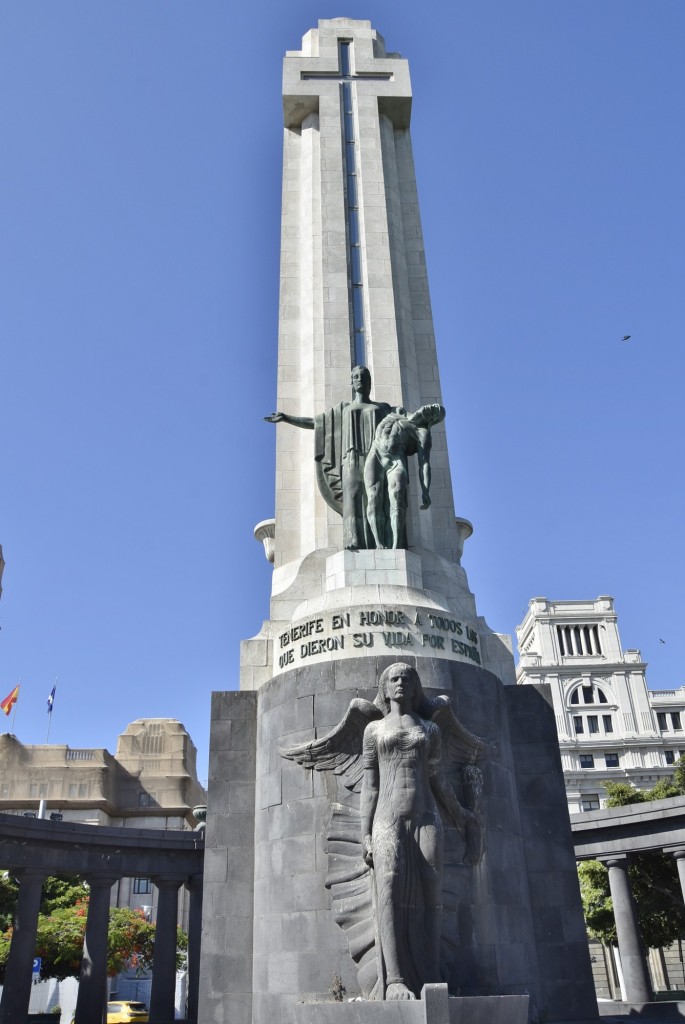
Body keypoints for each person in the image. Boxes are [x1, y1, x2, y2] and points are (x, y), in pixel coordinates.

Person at [361, 663, 473, 1000]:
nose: (400, 683)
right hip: (387, 818)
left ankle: (430, 974)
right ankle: (394, 979)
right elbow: (370, 785)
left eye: (406, 679)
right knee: (389, 885)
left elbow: (437, 778)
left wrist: (459, 812)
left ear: (415, 687)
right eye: (393, 679)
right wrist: (364, 834)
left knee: (432, 890)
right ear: (385, 687)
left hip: (427, 816)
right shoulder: (373, 730)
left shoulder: (430, 729)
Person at [265, 366, 396, 550]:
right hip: (351, 459)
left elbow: (406, 422)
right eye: (355, 377)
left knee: (376, 498)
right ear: (351, 382)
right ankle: (353, 540)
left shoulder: (383, 408)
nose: (359, 379)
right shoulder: (343, 409)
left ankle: (381, 540)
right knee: (352, 496)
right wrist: (287, 418)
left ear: (369, 381)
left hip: (376, 460)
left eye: (363, 376)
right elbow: (316, 423)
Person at [363, 404, 445, 549]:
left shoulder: (422, 433)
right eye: (432, 406)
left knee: (397, 497)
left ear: (431, 419)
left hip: (395, 461)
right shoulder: (398, 411)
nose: (429, 408)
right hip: (375, 454)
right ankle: (378, 543)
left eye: (433, 411)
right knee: (373, 497)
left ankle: (395, 544)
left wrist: (425, 491)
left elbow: (424, 464)